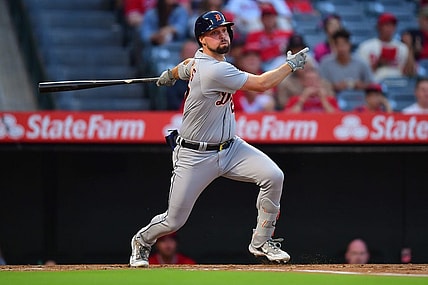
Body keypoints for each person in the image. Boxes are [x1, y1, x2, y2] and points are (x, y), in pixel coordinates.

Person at [129, 10, 308, 267]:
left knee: (273, 175)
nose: (222, 35)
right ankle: (142, 241)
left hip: (231, 148)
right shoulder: (214, 70)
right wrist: (289, 65)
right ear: (202, 40)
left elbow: (187, 66)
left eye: (224, 30)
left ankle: (261, 241)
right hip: (195, 154)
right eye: (214, 33)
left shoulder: (201, 62)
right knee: (173, 221)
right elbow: (260, 84)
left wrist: (171, 72)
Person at [356, 13, 413, 81]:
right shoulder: (366, 46)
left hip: (398, 84)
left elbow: (411, 73)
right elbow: (361, 74)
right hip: (376, 83)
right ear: (379, 27)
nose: (389, 28)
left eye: (392, 25)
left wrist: (409, 47)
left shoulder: (402, 47)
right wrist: (378, 64)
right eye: (386, 25)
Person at [319, 29, 375, 94]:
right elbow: (320, 85)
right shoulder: (325, 63)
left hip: (359, 98)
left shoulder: (361, 62)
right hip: (333, 98)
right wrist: (334, 86)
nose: (341, 48)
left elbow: (372, 85)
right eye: (338, 45)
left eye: (343, 44)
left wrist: (361, 85)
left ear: (349, 44)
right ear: (333, 46)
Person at [244, 3, 293, 72]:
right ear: (261, 19)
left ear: (275, 18)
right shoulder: (253, 35)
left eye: (271, 17)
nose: (269, 20)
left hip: (282, 63)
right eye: (266, 17)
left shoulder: (287, 34)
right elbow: (250, 54)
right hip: (262, 64)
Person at [166, 40, 199, 110]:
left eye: (194, 53)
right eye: (188, 52)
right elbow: (172, 102)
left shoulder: (205, 76)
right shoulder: (173, 77)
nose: (191, 56)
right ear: (181, 54)